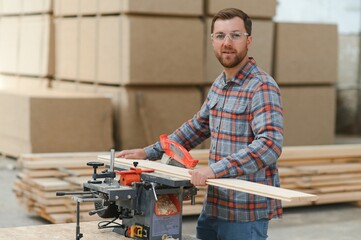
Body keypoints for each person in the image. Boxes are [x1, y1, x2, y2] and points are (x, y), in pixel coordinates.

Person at [116, 8, 283, 240]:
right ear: (212, 41)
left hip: (244, 211)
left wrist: (214, 170)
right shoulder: (220, 84)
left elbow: (270, 145)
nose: (227, 42)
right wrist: (148, 152)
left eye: (235, 35)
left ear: (249, 40)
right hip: (215, 204)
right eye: (220, 36)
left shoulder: (261, 86)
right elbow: (196, 128)